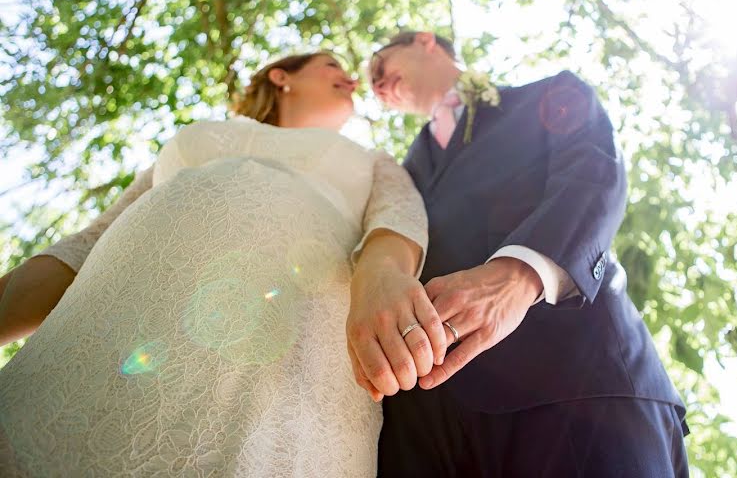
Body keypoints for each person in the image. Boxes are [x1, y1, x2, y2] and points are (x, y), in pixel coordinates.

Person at [0, 52, 436, 477]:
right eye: (332, 66)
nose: (352, 79)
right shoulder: (203, 136)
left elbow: (398, 220)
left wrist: (382, 277)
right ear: (282, 76)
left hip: (290, 339)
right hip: (114, 317)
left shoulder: (372, 159)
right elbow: (87, 243)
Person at [348, 31, 689, 477]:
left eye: (380, 64)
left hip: (578, 389)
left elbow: (594, 175)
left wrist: (517, 277)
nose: (376, 83)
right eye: (372, 83)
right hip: (425, 430)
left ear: (426, 42)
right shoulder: (399, 173)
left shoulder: (549, 96)